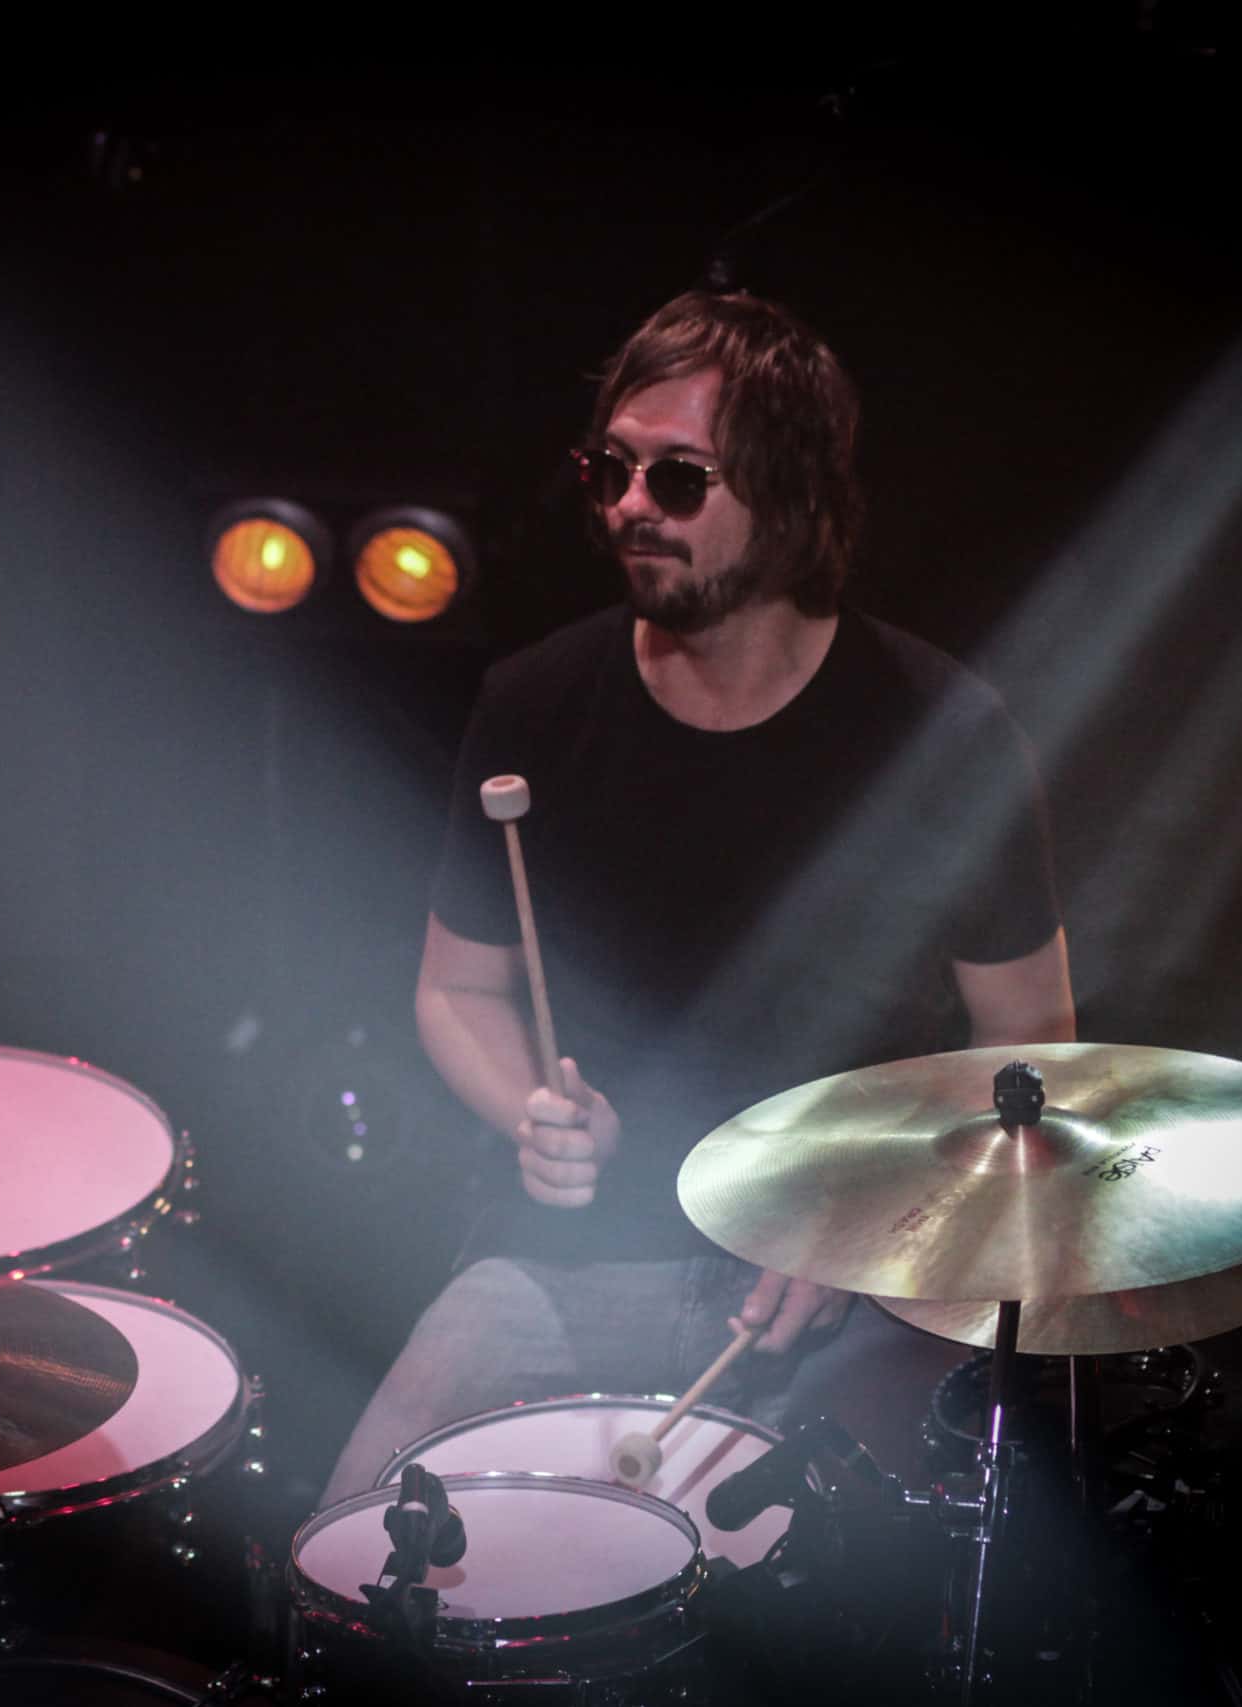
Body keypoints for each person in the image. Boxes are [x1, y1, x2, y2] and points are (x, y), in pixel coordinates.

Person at [320, 290, 1077, 1506]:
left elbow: (1030, 1042)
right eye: (609, 470)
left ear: (791, 494)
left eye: (677, 480)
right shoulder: (535, 703)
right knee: (356, 1549)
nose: (629, 505)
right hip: (569, 1260)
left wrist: (877, 1231)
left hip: (845, 1285)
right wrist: (529, 1113)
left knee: (821, 1582)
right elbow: (456, 988)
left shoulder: (940, 730)